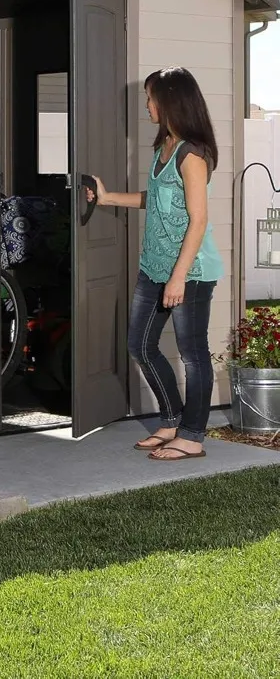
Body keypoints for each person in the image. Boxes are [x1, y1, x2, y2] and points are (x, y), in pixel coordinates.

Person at [87, 66, 224, 460]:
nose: (147, 105)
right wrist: (109, 197)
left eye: (150, 98)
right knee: (141, 344)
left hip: (190, 272)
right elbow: (159, 198)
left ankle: (192, 435)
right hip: (154, 267)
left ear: (170, 102)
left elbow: (198, 220)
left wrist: (178, 278)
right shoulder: (164, 144)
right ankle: (170, 420)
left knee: (193, 354)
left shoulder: (192, 153)